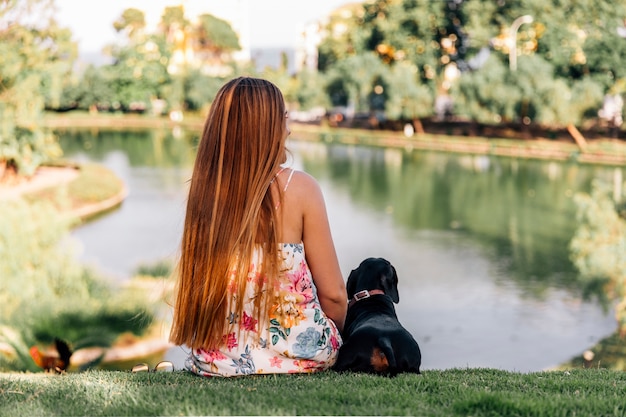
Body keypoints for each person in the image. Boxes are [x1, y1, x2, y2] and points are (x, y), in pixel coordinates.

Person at [169, 76, 347, 376]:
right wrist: (337, 333)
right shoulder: (300, 187)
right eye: (284, 119)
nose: (288, 129)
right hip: (303, 356)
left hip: (217, 361)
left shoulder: (204, 193)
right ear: (266, 128)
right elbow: (335, 296)